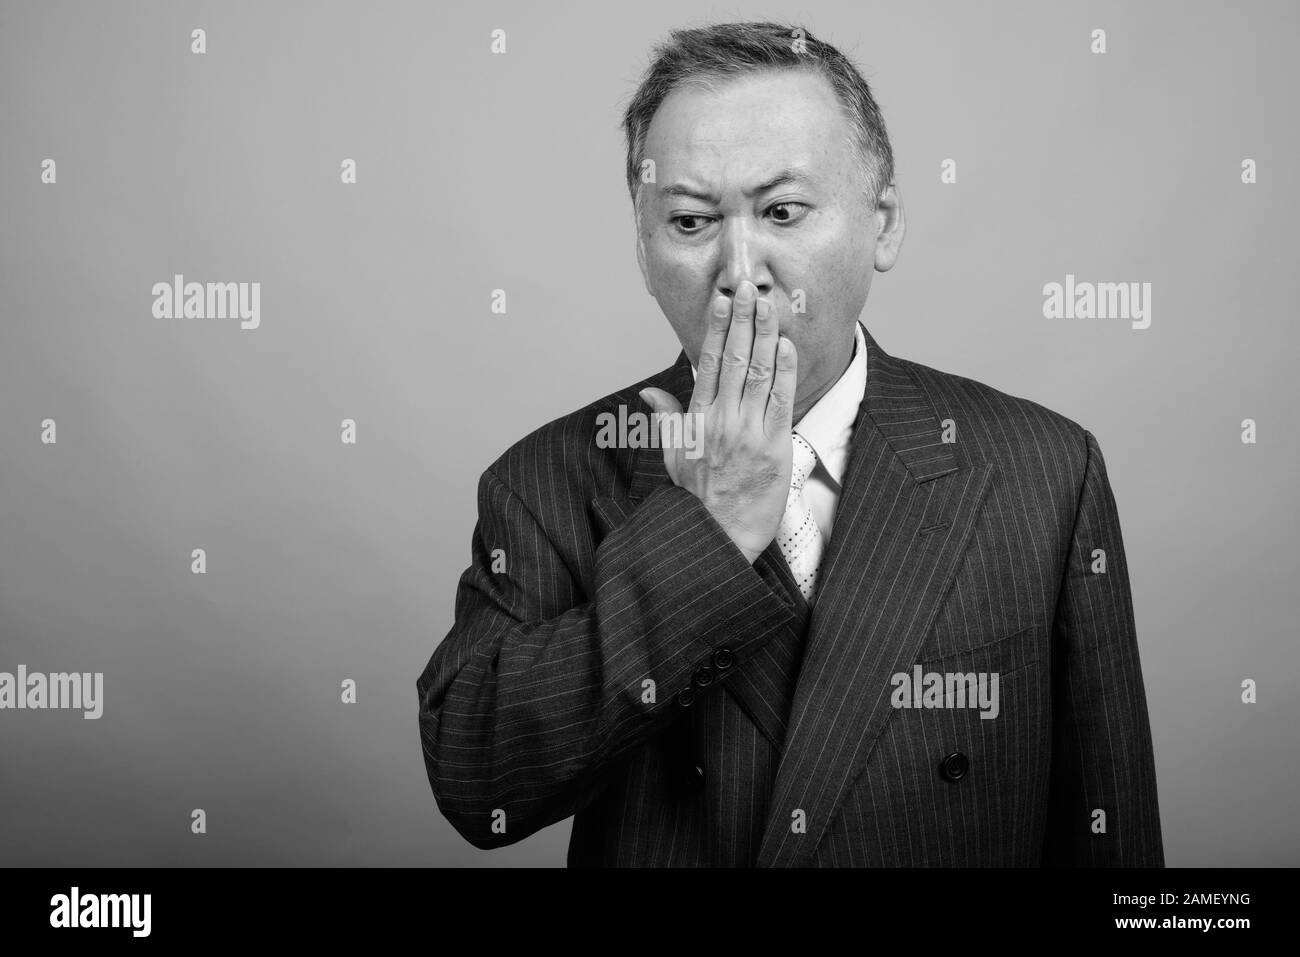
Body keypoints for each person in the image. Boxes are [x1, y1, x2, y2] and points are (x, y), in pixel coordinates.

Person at [416, 20, 1163, 867]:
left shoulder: (1044, 472)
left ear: (883, 223)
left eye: (782, 211)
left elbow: (1114, 840)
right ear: (642, 245)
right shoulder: (548, 479)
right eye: (693, 221)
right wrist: (708, 532)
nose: (741, 269)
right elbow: (479, 782)